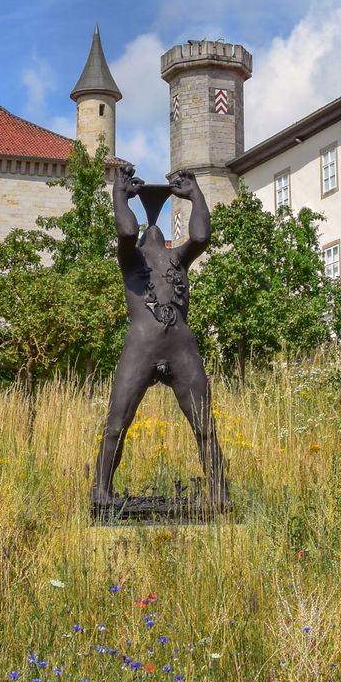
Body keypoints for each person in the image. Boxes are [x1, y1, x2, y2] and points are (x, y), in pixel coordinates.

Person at [91, 163, 228, 511]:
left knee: (204, 426)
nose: (151, 230)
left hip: (181, 348)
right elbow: (125, 232)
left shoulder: (178, 260)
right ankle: (101, 492)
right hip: (141, 347)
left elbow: (201, 237)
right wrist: (119, 195)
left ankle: (218, 491)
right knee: (116, 424)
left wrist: (196, 195)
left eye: (157, 229)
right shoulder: (131, 260)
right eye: (144, 230)